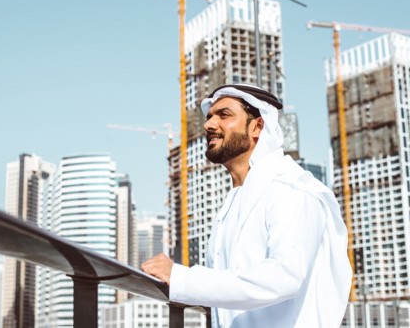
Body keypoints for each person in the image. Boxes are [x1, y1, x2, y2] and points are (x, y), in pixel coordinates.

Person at [141, 83, 352, 327]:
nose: (208, 125)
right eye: (209, 117)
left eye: (224, 115)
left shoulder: (292, 190)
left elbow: (285, 276)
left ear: (257, 127)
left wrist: (181, 278)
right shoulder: (233, 203)